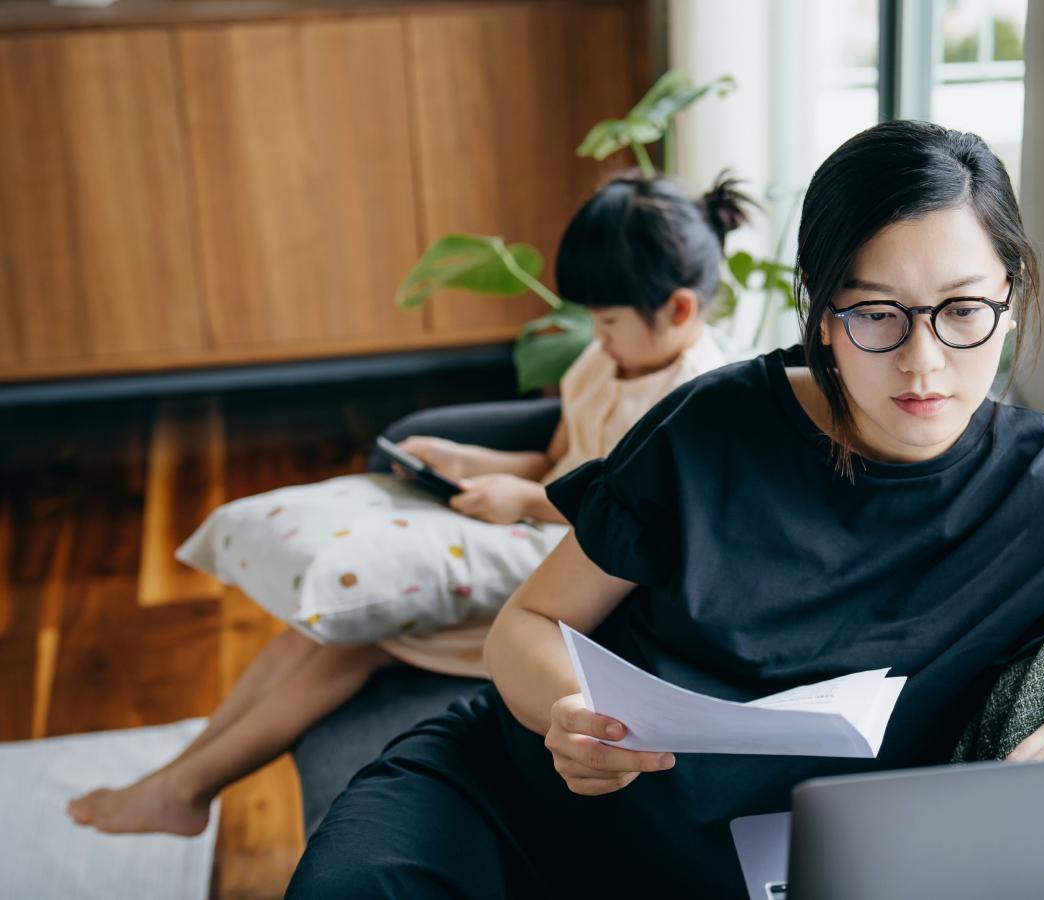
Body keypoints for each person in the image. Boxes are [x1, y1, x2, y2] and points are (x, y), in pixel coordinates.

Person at [285, 121, 1044, 898]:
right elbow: (530, 626)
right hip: (515, 798)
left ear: (1011, 301)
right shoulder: (717, 424)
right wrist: (562, 716)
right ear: (821, 314)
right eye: (876, 317)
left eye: (962, 311)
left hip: (742, 869)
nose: (922, 363)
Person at [65, 172, 753, 837]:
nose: (595, 336)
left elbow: (636, 525)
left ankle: (183, 790)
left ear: (680, 312)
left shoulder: (691, 403)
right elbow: (554, 461)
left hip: (580, 583)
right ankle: (177, 778)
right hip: (528, 531)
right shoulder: (607, 362)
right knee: (313, 631)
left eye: (606, 320)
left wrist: (527, 502)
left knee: (349, 645)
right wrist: (464, 463)